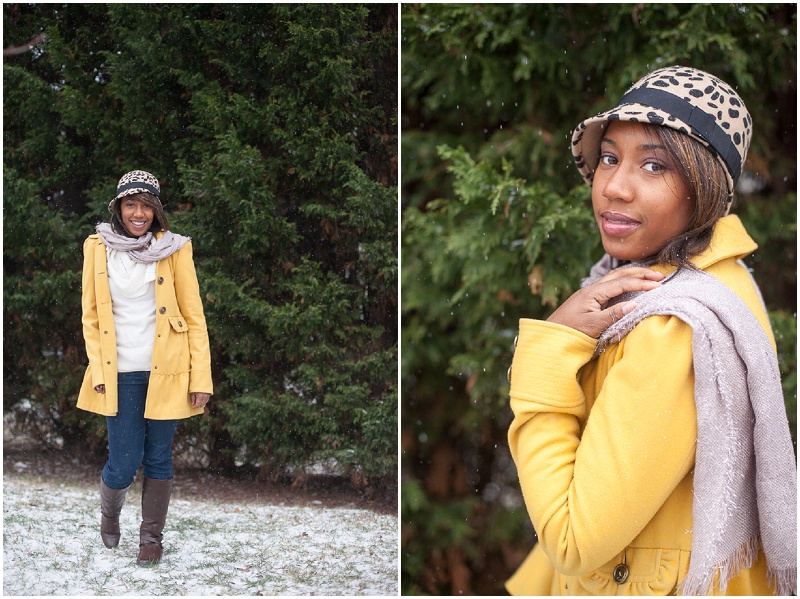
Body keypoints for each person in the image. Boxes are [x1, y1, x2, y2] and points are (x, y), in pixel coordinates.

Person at [505, 66, 796, 595]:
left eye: (654, 165)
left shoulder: (675, 327)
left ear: (704, 189)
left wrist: (546, 352)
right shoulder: (702, 282)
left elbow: (573, 542)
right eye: (610, 157)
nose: (613, 186)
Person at [77, 170, 213, 565]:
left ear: (157, 210)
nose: (139, 213)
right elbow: (90, 316)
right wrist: (99, 372)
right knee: (122, 463)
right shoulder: (97, 247)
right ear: (118, 207)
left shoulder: (174, 249)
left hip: (169, 369)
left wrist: (200, 375)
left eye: (147, 205)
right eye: (131, 204)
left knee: (158, 457)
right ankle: (109, 510)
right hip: (119, 371)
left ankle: (151, 540)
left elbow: (195, 315)